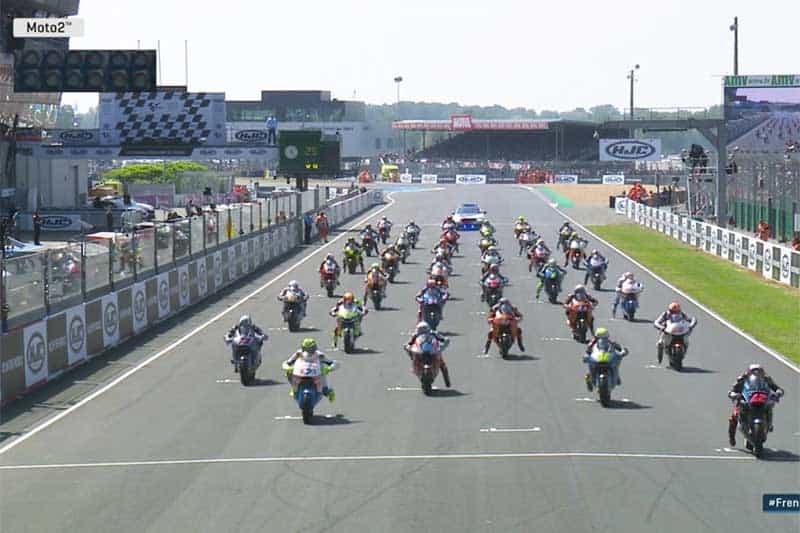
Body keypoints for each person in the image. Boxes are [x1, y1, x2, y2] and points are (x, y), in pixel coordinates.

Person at [726, 364, 784, 446]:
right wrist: (734, 394)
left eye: (759, 371)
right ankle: (731, 436)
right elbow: (733, 389)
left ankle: (769, 424)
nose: (757, 373)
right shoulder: (742, 379)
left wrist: (778, 393)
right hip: (746, 399)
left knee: (770, 406)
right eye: (754, 371)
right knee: (734, 415)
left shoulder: (767, 379)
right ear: (749, 372)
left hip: (762, 399)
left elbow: (776, 388)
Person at [405, 321, 451, 387]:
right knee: (414, 358)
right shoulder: (415, 335)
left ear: (428, 329)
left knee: (442, 363)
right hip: (420, 351)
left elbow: (444, 339)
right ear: (417, 330)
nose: (422, 331)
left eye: (424, 329)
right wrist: (409, 348)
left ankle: (447, 381)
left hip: (432, 350)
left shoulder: (434, 333)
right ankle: (416, 368)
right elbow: (408, 344)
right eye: (420, 330)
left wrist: (443, 344)